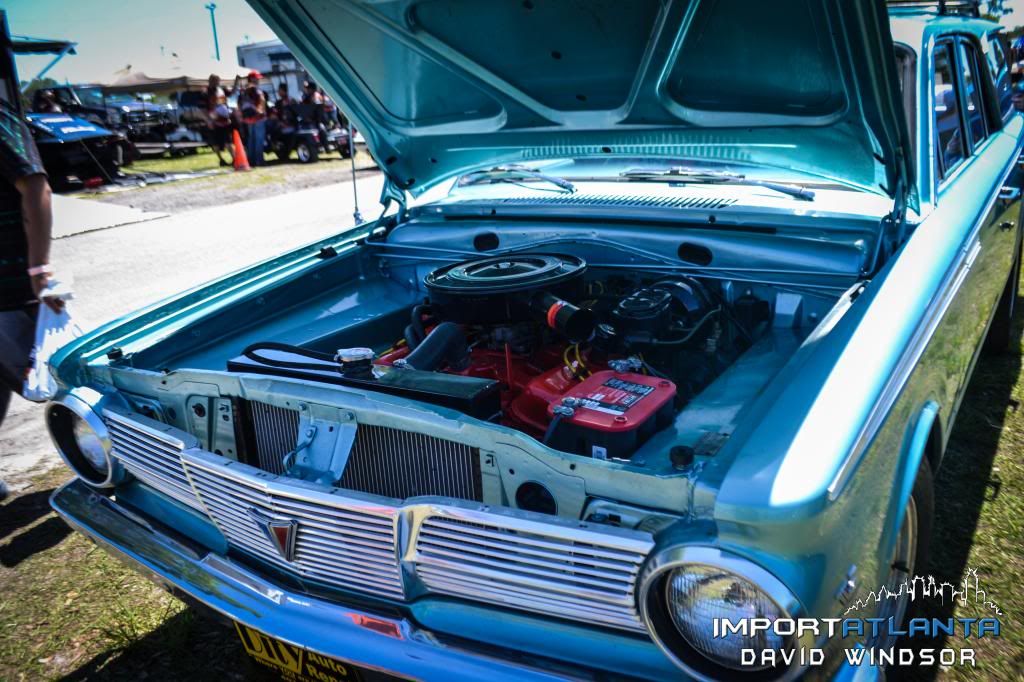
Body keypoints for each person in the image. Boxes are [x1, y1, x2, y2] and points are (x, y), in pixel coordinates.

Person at [0, 101, 59, 502]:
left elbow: (36, 186)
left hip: (11, 292)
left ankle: (116, 466)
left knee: (60, 384)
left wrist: (39, 269)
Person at [237, 70, 268, 166]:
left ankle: (251, 161)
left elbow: (239, 104)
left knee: (251, 139)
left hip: (248, 119)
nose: (258, 80)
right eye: (257, 78)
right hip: (258, 118)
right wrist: (262, 111)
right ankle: (259, 161)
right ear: (252, 79)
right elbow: (262, 101)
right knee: (259, 139)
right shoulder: (257, 90)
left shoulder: (243, 91)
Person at [204, 74, 234, 167]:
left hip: (224, 120)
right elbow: (205, 108)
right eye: (216, 81)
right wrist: (209, 120)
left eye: (218, 81)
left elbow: (225, 100)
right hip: (214, 121)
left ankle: (234, 158)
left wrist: (236, 81)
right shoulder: (206, 92)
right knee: (216, 142)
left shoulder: (220, 90)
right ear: (211, 81)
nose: (218, 82)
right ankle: (221, 160)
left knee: (228, 140)